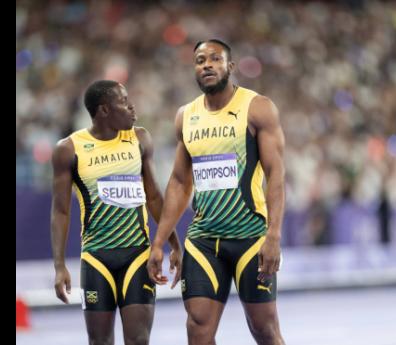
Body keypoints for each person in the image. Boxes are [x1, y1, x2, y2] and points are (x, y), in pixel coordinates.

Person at [147, 39, 286, 345]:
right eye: (199, 60)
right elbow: (180, 182)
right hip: (204, 240)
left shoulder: (257, 108)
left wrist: (273, 235)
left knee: (264, 330)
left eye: (214, 59)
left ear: (230, 67)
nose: (207, 65)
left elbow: (276, 174)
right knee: (198, 329)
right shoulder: (186, 116)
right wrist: (159, 242)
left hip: (250, 237)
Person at [50, 80, 182, 345]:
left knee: (138, 340)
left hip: (137, 255)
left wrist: (174, 244)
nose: (132, 107)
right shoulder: (69, 149)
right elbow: (61, 211)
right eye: (123, 101)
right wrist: (60, 265)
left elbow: (154, 196)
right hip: (97, 258)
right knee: (99, 341)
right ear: (104, 110)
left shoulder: (140, 138)